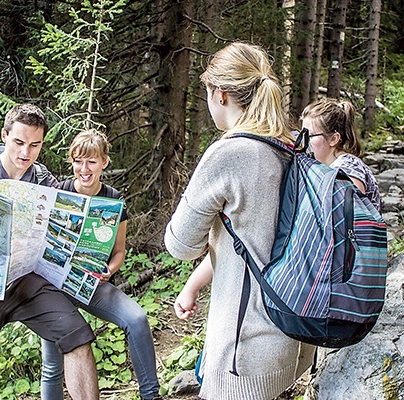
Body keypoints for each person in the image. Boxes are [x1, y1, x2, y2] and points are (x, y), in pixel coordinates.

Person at [164, 42, 315, 400]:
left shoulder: (230, 153)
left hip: (244, 351)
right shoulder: (293, 146)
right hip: (297, 335)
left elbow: (179, 244)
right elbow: (256, 239)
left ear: (221, 94)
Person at [0, 104, 99, 400]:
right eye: (19, 142)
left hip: (24, 280)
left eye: (35, 145)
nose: (26, 153)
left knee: (77, 336)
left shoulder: (41, 178)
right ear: (4, 136)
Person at [41, 129, 161, 400]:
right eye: (78, 161)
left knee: (137, 319)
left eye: (91, 161)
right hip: (55, 286)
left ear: (104, 162)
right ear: (71, 162)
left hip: (93, 283)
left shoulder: (114, 198)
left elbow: (119, 251)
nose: (84, 169)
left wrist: (110, 270)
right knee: (53, 360)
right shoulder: (58, 191)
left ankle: (151, 395)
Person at [300, 97, 382, 211]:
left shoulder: (348, 170)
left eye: (309, 136)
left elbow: (355, 221)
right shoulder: (329, 168)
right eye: (301, 135)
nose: (302, 142)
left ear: (333, 139)